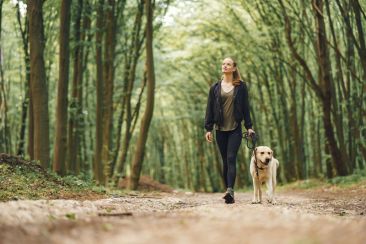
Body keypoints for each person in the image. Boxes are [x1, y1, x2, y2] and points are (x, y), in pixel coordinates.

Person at [204, 57, 255, 204]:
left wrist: (249, 127)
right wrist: (208, 128)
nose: (225, 66)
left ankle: (230, 191)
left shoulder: (241, 86)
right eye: (223, 64)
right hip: (220, 128)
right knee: (225, 161)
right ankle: (227, 188)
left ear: (234, 68)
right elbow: (209, 108)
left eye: (228, 64)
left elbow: (246, 107)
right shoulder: (215, 87)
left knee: (231, 157)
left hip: (235, 128)